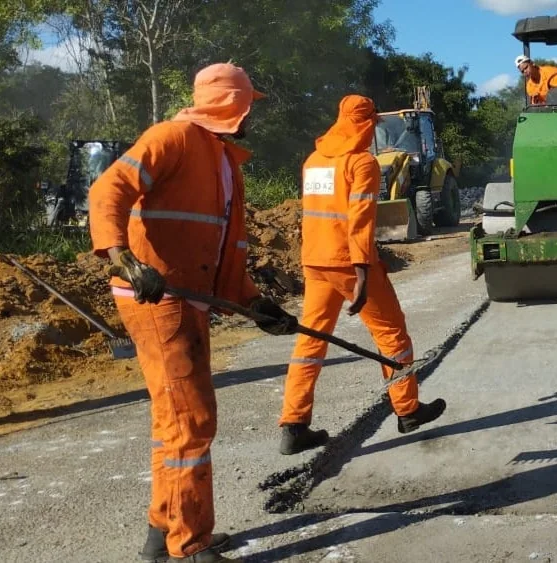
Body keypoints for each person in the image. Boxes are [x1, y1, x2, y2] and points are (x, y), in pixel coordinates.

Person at [88, 62, 296, 563]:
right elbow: (106, 191)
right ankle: (190, 545)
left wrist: (254, 303)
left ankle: (164, 530)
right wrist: (125, 260)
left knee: (173, 420)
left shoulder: (222, 160)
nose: (252, 116)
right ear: (232, 103)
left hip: (186, 297)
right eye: (248, 105)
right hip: (157, 298)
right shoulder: (174, 137)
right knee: (193, 421)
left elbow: (225, 247)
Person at [278, 94, 446, 455]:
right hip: (349, 263)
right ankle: (408, 410)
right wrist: (362, 275)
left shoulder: (314, 161)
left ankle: (293, 424)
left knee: (310, 341)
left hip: (315, 262)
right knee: (392, 335)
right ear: (368, 123)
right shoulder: (362, 164)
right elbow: (359, 223)